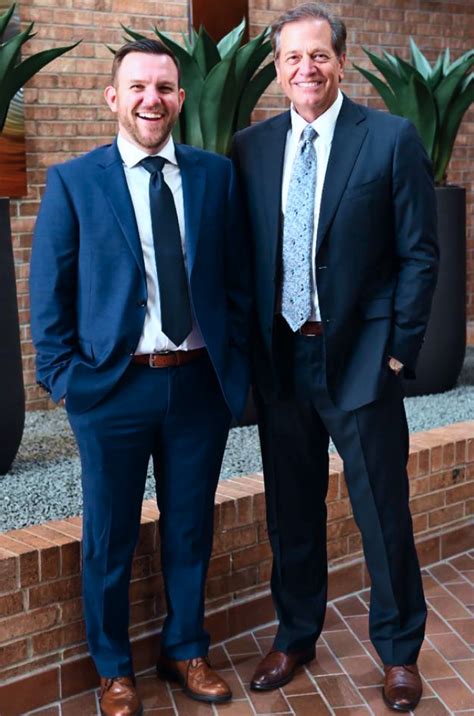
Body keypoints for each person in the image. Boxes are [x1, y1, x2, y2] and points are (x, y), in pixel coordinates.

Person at [30, 38, 250, 716]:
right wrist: (65, 379)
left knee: (190, 527)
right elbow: (48, 291)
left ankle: (185, 649)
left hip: (197, 385)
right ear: (113, 97)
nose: (151, 99)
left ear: (180, 98)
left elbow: (238, 279)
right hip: (112, 389)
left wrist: (236, 365)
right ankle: (114, 668)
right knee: (110, 534)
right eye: (138, 87)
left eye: (163, 88)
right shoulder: (75, 181)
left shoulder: (215, 176)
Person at [232, 3, 438, 712]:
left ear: (342, 62)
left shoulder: (389, 137)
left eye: (318, 54)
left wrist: (398, 351)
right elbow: (244, 255)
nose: (306, 68)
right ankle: (295, 635)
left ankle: (399, 650)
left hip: (361, 359)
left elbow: (419, 253)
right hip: (282, 358)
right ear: (277, 69)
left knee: (382, 511)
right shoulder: (252, 147)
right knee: (291, 511)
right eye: (292, 57)